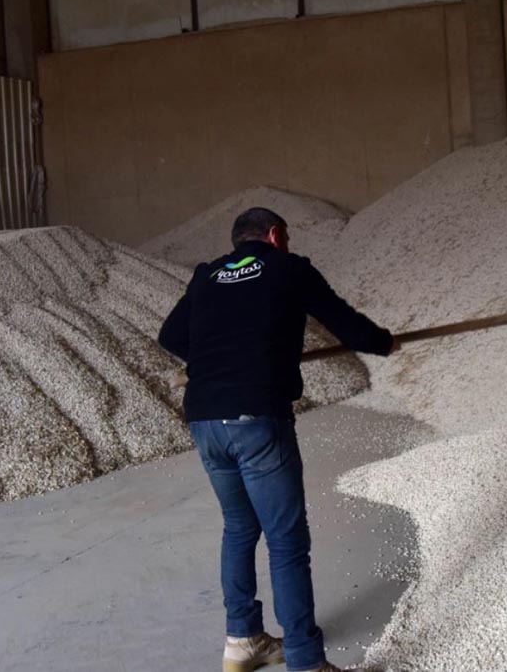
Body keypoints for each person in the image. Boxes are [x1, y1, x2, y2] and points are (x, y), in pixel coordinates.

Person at [159, 207, 396, 672]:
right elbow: (344, 324)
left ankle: (243, 641)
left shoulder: (208, 276)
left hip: (205, 419)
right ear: (274, 235)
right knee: (286, 540)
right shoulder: (289, 267)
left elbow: (170, 335)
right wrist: (385, 343)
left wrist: (216, 359)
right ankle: (306, 661)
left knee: (240, 527)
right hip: (256, 418)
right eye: (285, 237)